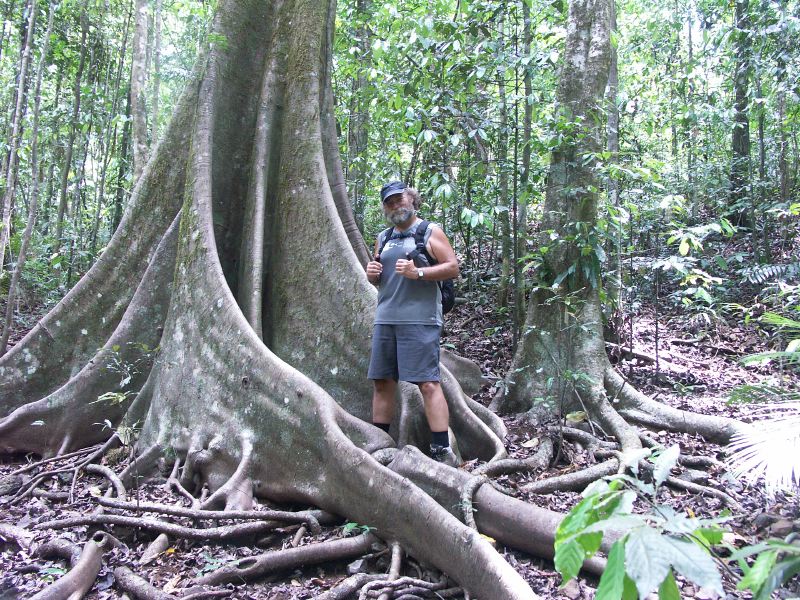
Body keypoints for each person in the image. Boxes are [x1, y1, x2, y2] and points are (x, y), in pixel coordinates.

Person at [365, 181, 460, 465]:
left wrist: (418, 272)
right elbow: (379, 276)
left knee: (428, 383)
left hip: (420, 319)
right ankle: (379, 445)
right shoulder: (383, 237)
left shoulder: (430, 231)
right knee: (382, 381)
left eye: (399, 199)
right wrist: (372, 273)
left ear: (411, 199)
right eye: (389, 202)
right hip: (386, 318)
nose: (395, 205)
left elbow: (453, 267)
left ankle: (441, 450)